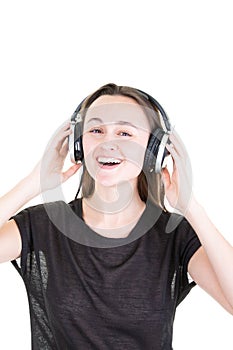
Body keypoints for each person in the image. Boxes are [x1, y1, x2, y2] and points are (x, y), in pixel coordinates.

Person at [0, 83, 232, 350]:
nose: (108, 143)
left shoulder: (174, 236)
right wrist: (32, 184)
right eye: (96, 130)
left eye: (124, 132)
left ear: (153, 150)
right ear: (78, 143)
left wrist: (190, 206)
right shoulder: (42, 225)